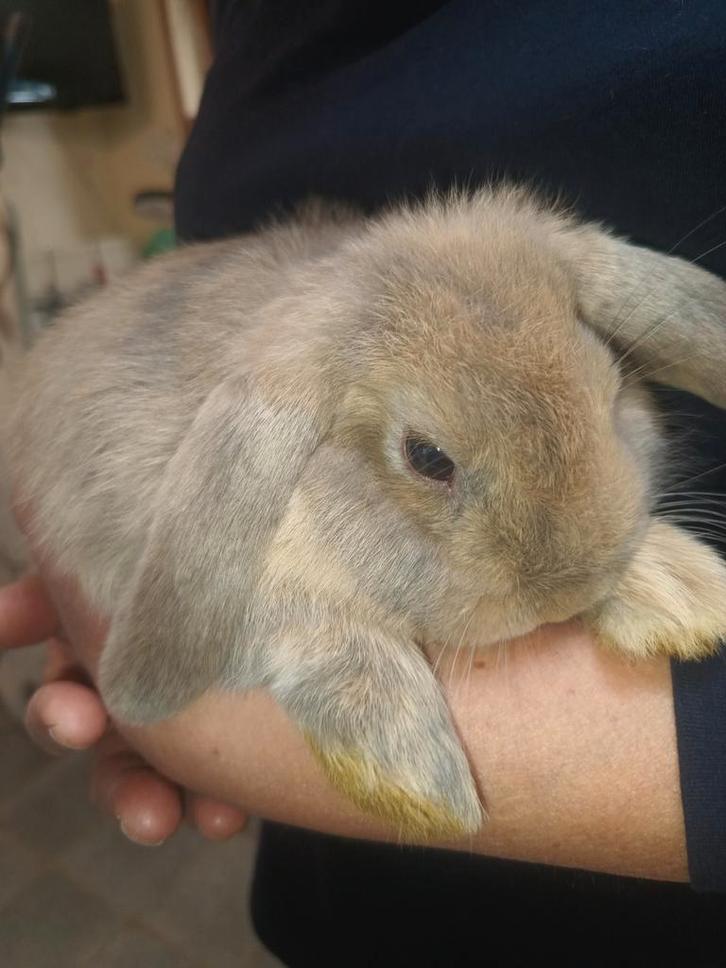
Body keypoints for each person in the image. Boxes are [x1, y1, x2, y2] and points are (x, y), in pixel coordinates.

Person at [4, 1, 726, 964]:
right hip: (349, 903)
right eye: (429, 461)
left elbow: (172, 710)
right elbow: (147, 637)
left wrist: (210, 732)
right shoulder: (303, 396)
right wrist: (210, 630)